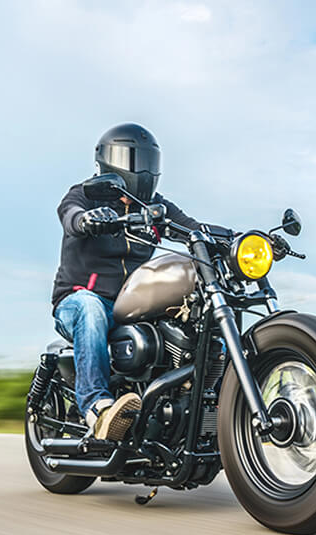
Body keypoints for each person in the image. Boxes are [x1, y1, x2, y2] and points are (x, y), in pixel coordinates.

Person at [51, 123, 206, 440]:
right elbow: (69, 214)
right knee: (90, 308)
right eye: (134, 159)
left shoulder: (155, 208)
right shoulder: (86, 195)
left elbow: (194, 229)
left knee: (191, 313)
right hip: (78, 301)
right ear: (109, 160)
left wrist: (242, 239)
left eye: (148, 160)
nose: (143, 169)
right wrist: (86, 220)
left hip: (129, 306)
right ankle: (98, 408)